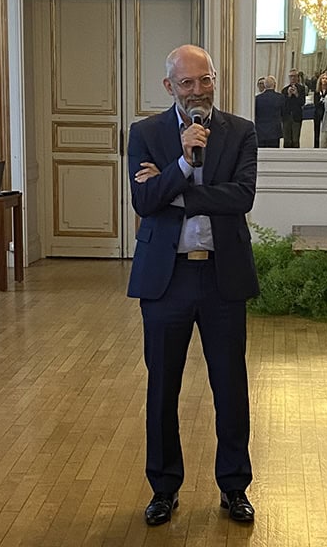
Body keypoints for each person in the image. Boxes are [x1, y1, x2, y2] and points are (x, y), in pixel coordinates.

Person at [127, 44, 258, 527]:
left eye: (205, 80)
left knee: (230, 387)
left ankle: (235, 487)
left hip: (223, 277)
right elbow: (144, 200)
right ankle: (163, 489)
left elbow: (241, 197)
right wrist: (182, 165)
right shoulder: (145, 133)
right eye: (187, 83)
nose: (198, 91)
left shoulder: (240, 131)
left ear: (214, 80)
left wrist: (173, 190)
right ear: (169, 87)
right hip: (167, 279)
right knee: (163, 388)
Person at [253, 75, 283, 149]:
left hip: (260, 131)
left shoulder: (257, 99)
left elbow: (255, 114)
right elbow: (284, 113)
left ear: (265, 86)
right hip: (274, 131)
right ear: (274, 85)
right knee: (274, 155)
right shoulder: (280, 98)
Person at [280, 69, 305, 148]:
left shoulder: (301, 89)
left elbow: (302, 102)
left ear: (298, 77)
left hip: (296, 117)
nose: (293, 78)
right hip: (286, 117)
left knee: (295, 140)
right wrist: (289, 95)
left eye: (294, 76)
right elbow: (283, 105)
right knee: (287, 139)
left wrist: (297, 94)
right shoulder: (284, 90)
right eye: (291, 76)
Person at [312, 73, 327, 148]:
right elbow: (315, 103)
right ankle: (316, 147)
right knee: (316, 132)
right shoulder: (317, 91)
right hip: (317, 113)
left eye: (326, 78)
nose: (324, 80)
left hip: (326, 113)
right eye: (323, 78)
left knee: (325, 132)